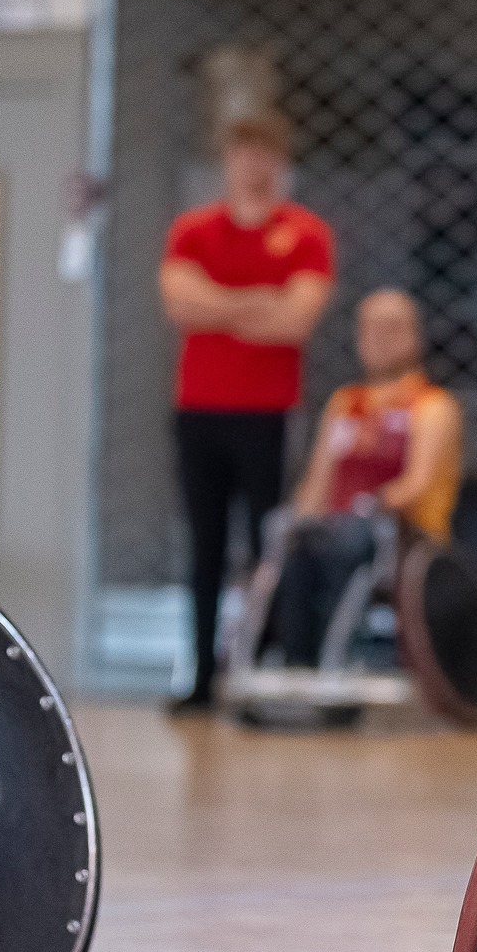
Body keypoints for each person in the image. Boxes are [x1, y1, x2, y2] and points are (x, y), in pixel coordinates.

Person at [158, 113, 334, 714]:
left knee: (269, 543)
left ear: (279, 162)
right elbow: (181, 304)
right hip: (200, 409)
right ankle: (202, 675)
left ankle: (263, 670)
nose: (253, 166)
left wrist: (221, 307)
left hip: (268, 412)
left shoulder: (305, 234)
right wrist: (259, 301)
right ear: (227, 161)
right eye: (243, 153)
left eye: (266, 154)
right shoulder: (194, 230)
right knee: (205, 546)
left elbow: (297, 320)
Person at [272, 289, 463, 666]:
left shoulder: (431, 406)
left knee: (349, 544)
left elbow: (417, 483)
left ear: (414, 335)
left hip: (400, 534)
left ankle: (336, 655)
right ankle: (294, 662)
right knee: (298, 549)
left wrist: (374, 505)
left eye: (392, 328)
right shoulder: (346, 404)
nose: (379, 338)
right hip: (339, 530)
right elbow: (318, 481)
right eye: (370, 328)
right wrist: (295, 522)